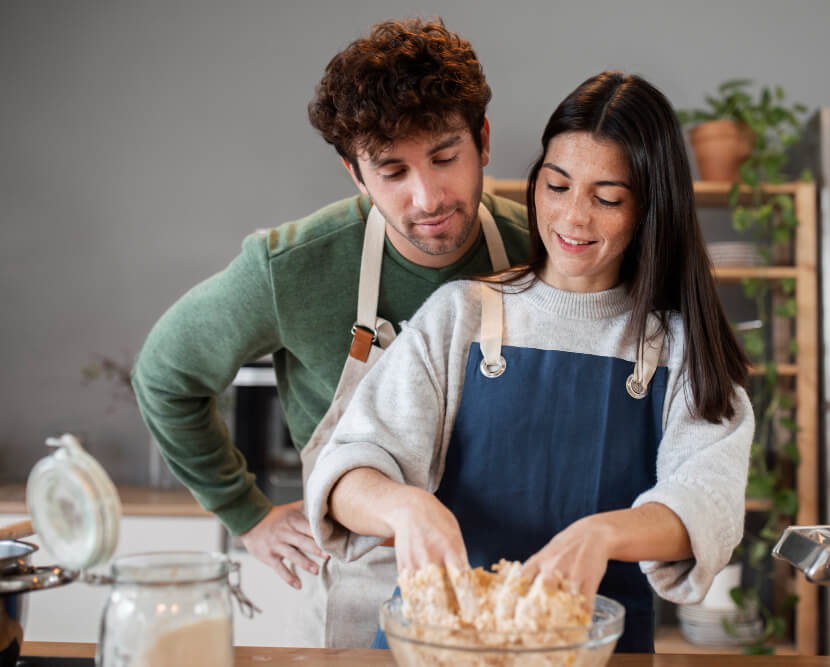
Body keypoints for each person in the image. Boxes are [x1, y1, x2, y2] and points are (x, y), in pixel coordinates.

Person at [305, 71, 755, 653]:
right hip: (448, 647)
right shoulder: (461, 315)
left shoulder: (677, 347)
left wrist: (602, 535)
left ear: (650, 208)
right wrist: (404, 506)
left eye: (608, 198)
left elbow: (707, 501)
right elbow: (347, 473)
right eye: (557, 186)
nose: (572, 218)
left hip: (596, 653)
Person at [130, 18, 531, 647]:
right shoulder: (291, 268)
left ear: (482, 139)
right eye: (392, 171)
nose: (427, 196)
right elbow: (163, 375)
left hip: (525, 582)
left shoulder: (545, 250)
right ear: (355, 173)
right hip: (364, 589)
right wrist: (246, 512)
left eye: (445, 157)